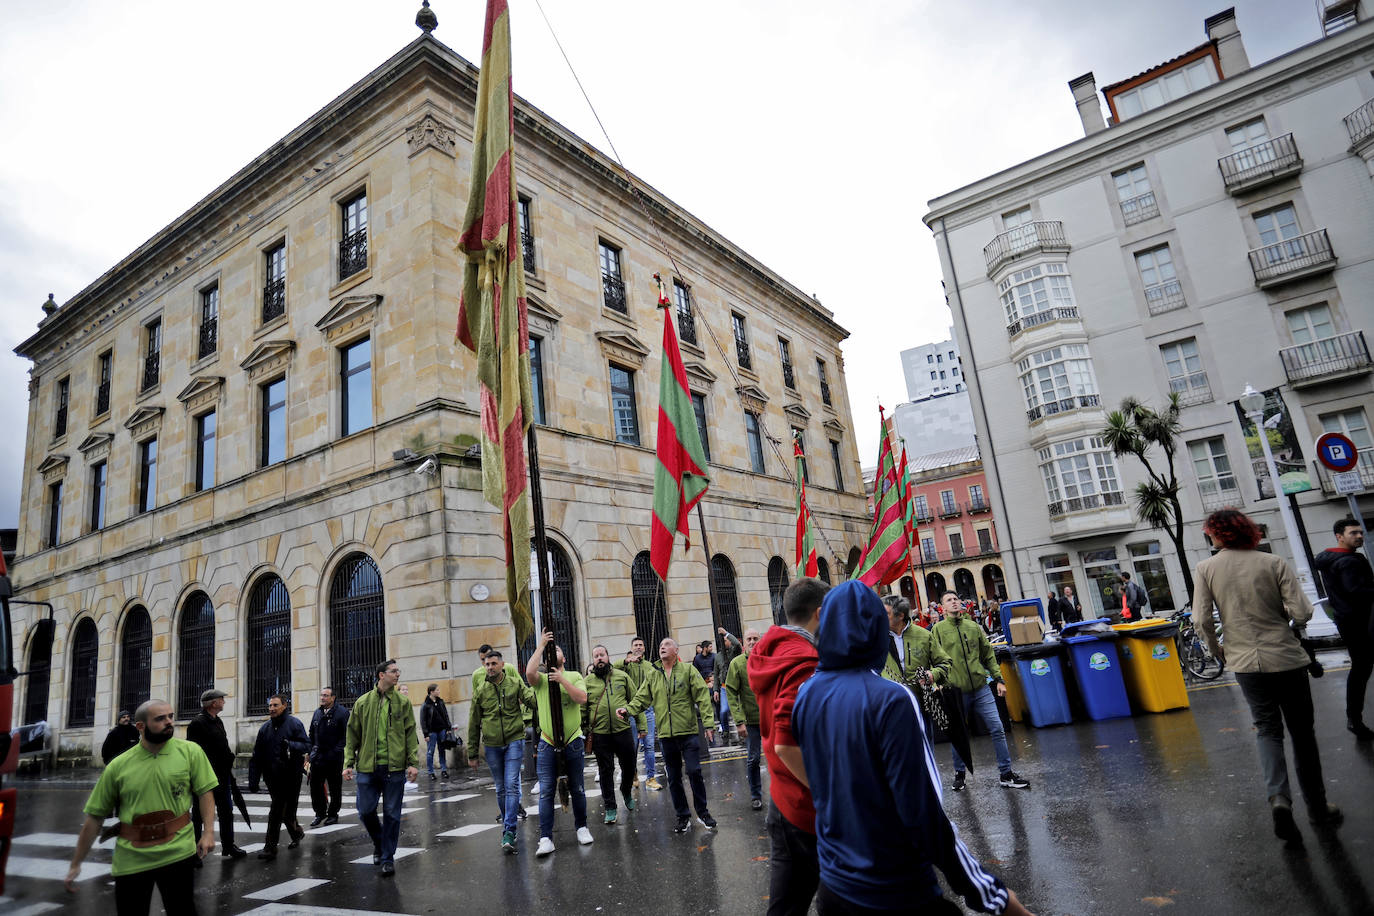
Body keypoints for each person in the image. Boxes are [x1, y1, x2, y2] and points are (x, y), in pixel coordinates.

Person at [793, 581, 1035, 916]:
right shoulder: (890, 698)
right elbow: (923, 813)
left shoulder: (806, 693)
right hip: (896, 891)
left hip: (835, 888)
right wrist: (991, 895)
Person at [1194, 508, 1342, 846]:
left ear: (1217, 535)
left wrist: (1218, 650)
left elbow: (1201, 620)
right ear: (1247, 532)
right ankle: (1318, 807)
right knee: (1302, 732)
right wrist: (1286, 623)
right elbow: (1303, 612)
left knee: (1267, 730)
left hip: (1245, 662)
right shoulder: (1272, 562)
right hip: (1285, 658)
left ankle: (1279, 799)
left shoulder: (1206, 569)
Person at [65, 700, 218, 915]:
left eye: (170, 716)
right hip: (132, 857)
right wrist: (76, 863)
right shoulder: (118, 766)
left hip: (178, 851)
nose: (169, 722)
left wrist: (209, 833)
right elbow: (94, 818)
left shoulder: (190, 752)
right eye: (160, 719)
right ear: (140, 726)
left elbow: (205, 792)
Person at [750, 578, 827, 916]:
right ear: (820, 613)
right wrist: (828, 793)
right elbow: (786, 743)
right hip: (803, 802)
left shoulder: (773, 649)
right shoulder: (804, 660)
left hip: (783, 796)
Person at [931, 591, 1030, 791]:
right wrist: (938, 683)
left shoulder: (973, 627)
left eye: (956, 599)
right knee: (958, 733)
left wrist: (999, 680)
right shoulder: (937, 630)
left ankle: (1006, 773)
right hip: (955, 691)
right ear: (942, 608)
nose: (954, 602)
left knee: (997, 728)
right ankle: (960, 774)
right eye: (949, 600)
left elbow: (988, 656)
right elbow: (933, 659)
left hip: (981, 688)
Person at [618, 637, 717, 833]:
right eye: (661, 645)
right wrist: (628, 710)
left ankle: (703, 813)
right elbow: (641, 698)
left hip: (688, 732)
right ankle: (683, 816)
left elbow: (702, 697)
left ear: (676, 650)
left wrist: (708, 723)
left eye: (667, 645)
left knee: (694, 771)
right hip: (666, 735)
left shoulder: (688, 671)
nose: (662, 647)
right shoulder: (654, 675)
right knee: (673, 777)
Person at [343, 659, 419, 876]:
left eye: (398, 671)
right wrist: (348, 763)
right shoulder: (363, 702)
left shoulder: (402, 703)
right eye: (393, 671)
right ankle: (380, 843)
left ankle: (387, 858)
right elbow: (352, 736)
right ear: (381, 675)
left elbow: (410, 734)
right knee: (365, 811)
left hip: (394, 769)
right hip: (367, 767)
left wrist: (413, 763)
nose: (398, 675)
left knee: (392, 815)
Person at [525, 630, 594, 855]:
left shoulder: (574, 675)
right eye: (550, 651)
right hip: (547, 742)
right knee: (546, 791)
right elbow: (529, 673)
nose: (554, 652)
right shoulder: (541, 681)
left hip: (573, 740)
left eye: (557, 649)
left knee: (578, 788)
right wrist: (541, 645)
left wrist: (562, 679)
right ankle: (545, 837)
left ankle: (581, 827)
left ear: (564, 658)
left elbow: (582, 699)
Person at [1313, 516, 1374, 740]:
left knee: (1361, 668)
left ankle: (1354, 718)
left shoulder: (1329, 559)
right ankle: (1354, 719)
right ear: (1340, 537)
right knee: (1361, 669)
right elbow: (1355, 590)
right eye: (1353, 533)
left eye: (1360, 532)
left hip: (1347, 621)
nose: (1359, 536)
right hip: (1362, 622)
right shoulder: (1349, 561)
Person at [468, 649, 535, 854]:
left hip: (515, 739)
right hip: (492, 744)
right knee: (500, 788)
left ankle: (509, 830)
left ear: (502, 665)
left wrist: (541, 687)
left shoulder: (515, 683)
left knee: (512, 784)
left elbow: (532, 701)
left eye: (493, 664)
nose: (489, 667)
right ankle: (509, 825)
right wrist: (472, 753)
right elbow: (474, 722)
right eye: (486, 664)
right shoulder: (480, 689)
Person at [184, 688, 246, 860]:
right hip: (205, 778)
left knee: (226, 811)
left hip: (222, 775)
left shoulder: (217, 720)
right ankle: (194, 851)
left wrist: (228, 758)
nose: (224, 702)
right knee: (198, 815)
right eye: (221, 699)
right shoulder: (198, 723)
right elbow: (195, 752)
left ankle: (228, 845)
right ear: (213, 703)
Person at [250, 693, 309, 860]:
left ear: (284, 706)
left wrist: (290, 745)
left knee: (282, 812)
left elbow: (307, 744)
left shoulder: (294, 724)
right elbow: (257, 756)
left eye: (275, 705)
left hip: (291, 776)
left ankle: (283, 840)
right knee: (280, 811)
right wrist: (254, 779)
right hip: (272, 777)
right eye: (270, 706)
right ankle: (283, 840)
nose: (271, 709)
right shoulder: (265, 728)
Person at [584, 644, 637, 824]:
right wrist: (585, 730)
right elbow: (583, 709)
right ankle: (610, 807)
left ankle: (626, 790)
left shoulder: (622, 676)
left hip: (623, 730)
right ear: (593, 660)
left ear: (608, 656)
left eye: (602, 655)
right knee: (605, 771)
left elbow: (636, 701)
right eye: (596, 656)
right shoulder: (587, 682)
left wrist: (642, 726)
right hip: (600, 733)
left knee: (629, 766)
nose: (599, 658)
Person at [724, 627, 764, 810]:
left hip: (772, 718)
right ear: (744, 642)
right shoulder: (737, 664)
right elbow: (731, 693)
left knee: (781, 757)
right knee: (753, 759)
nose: (752, 642)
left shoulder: (769, 660)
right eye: (749, 639)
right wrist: (739, 721)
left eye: (755, 638)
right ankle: (756, 795)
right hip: (751, 721)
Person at [617, 636, 661, 790]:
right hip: (630, 710)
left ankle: (650, 778)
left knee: (649, 745)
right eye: (635, 645)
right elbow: (612, 668)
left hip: (647, 710)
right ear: (631, 648)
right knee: (632, 746)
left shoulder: (650, 666)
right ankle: (633, 773)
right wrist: (626, 661)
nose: (638, 647)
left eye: (641, 645)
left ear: (644, 648)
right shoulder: (626, 665)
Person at [880, 595, 952, 688]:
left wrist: (933, 675)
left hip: (921, 698)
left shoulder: (924, 635)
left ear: (901, 615)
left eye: (885, 613)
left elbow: (945, 663)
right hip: (891, 699)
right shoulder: (876, 638)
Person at [307, 686, 349, 827]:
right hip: (318, 757)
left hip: (334, 758)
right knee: (315, 787)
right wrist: (310, 751)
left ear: (333, 697)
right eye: (321, 695)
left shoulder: (342, 713)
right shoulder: (317, 713)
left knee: (335, 787)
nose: (322, 698)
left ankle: (333, 814)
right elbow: (311, 733)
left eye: (325, 695)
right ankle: (319, 813)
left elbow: (346, 735)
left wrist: (336, 751)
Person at [713, 628, 742, 746]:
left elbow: (737, 644)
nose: (728, 642)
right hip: (724, 687)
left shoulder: (734, 652)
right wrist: (716, 690)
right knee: (724, 711)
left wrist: (726, 633)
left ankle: (742, 730)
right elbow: (715, 674)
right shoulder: (718, 657)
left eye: (727, 640)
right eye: (725, 640)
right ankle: (725, 730)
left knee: (739, 710)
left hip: (735, 686)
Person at [420, 683, 453, 780]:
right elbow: (423, 721)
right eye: (437, 690)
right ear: (431, 692)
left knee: (442, 750)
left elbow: (445, 716)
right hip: (431, 732)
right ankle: (431, 772)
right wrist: (425, 734)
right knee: (430, 752)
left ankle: (444, 770)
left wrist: (448, 728)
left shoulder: (441, 702)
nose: (439, 691)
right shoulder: (426, 705)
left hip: (442, 730)